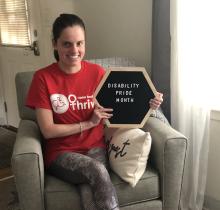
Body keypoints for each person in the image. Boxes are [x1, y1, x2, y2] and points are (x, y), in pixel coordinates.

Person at [26, 13, 163, 210]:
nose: (75, 50)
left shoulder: (98, 73)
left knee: (88, 188)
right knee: (96, 171)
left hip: (95, 148)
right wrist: (88, 123)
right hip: (60, 153)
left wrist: (148, 105)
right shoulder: (43, 78)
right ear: (55, 44)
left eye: (80, 43)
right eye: (67, 44)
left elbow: (119, 114)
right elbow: (47, 130)